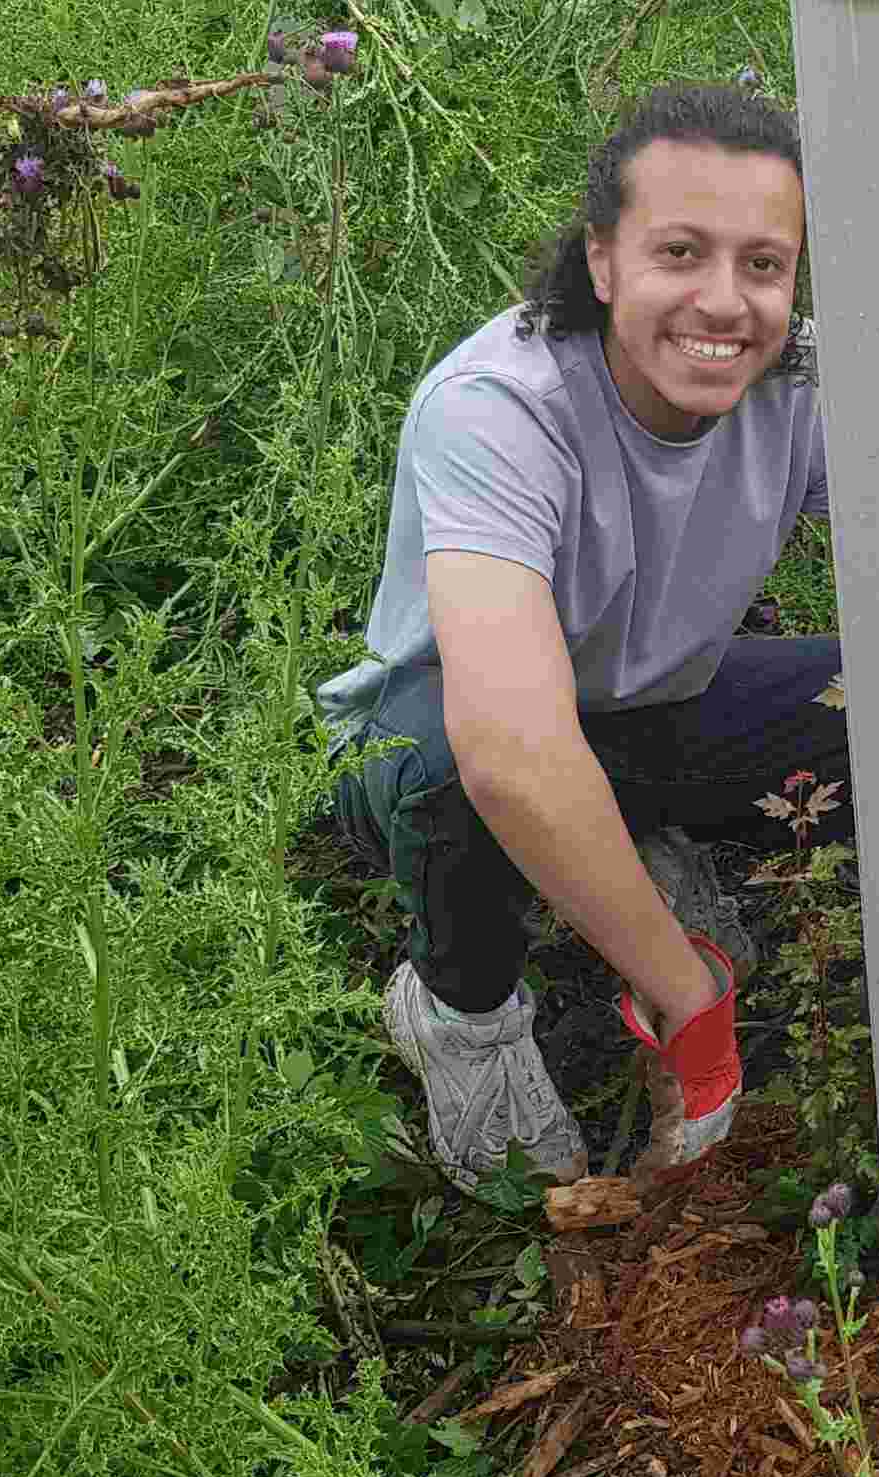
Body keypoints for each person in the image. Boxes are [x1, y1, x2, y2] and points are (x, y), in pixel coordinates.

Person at [318, 84, 848, 1187]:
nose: (724, 300)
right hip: (441, 739)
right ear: (603, 262)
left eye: (763, 264)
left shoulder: (797, 382)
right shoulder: (500, 407)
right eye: (681, 253)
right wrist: (690, 999)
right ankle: (462, 1011)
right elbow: (512, 749)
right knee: (456, 775)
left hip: (655, 707)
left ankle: (639, 868)